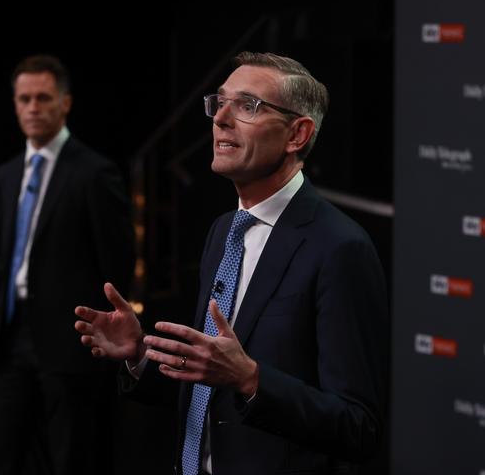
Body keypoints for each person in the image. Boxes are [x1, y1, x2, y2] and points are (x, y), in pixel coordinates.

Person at [75, 51, 388, 475]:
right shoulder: (225, 230)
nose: (220, 118)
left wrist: (252, 379)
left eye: (247, 105)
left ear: (297, 134)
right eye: (219, 103)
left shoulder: (340, 247)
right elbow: (210, 388)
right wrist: (140, 357)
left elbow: (358, 427)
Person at [0, 54, 135, 475]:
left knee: (73, 458)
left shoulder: (94, 173)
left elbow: (117, 263)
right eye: (24, 98)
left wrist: (104, 334)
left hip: (70, 343)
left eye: (43, 98)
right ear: (13, 104)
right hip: (12, 338)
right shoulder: (7, 174)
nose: (32, 107)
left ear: (64, 103)